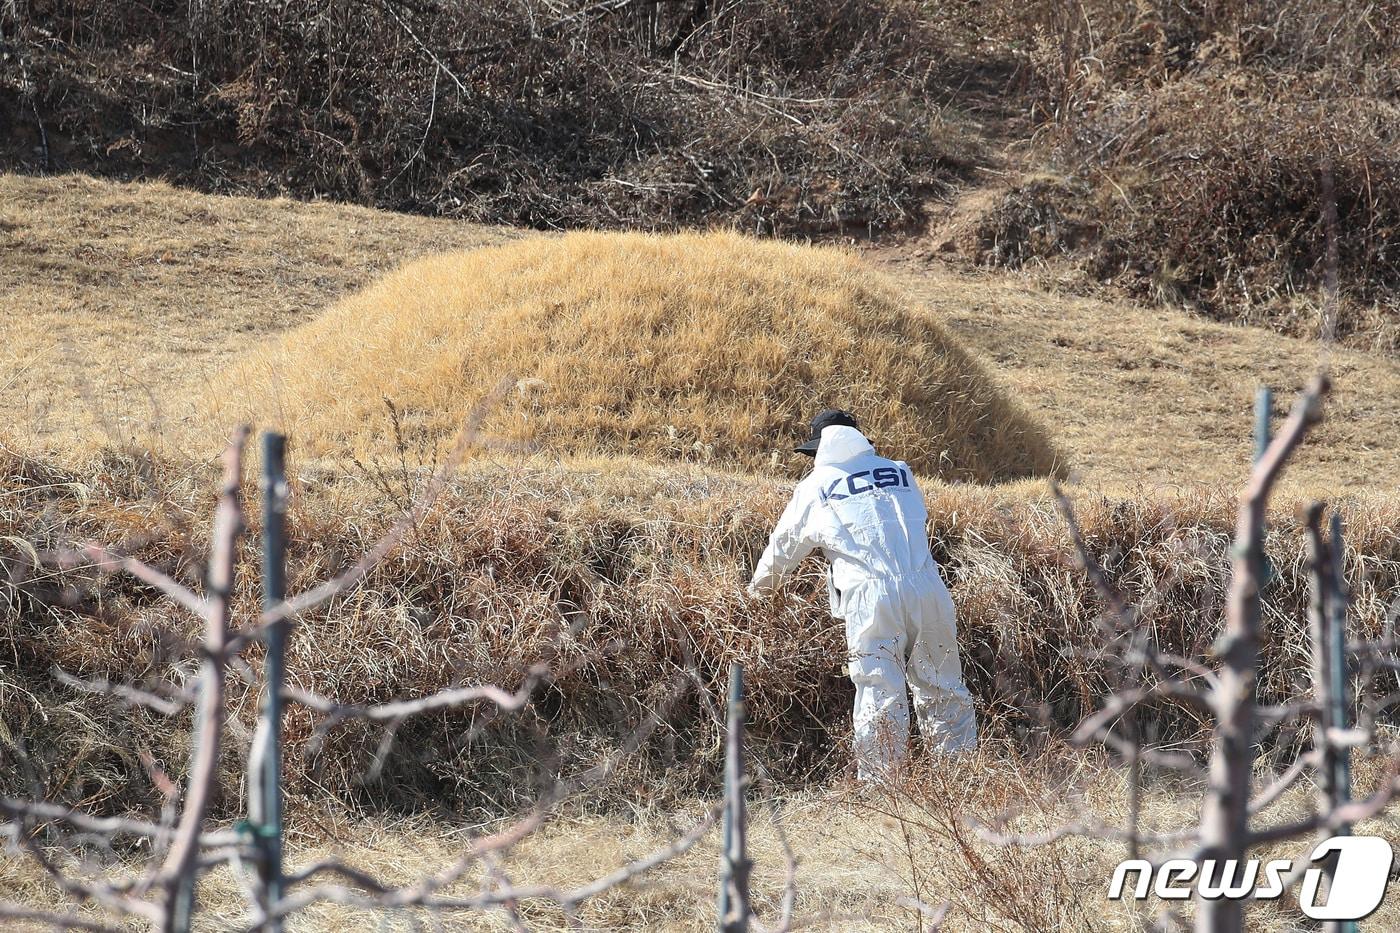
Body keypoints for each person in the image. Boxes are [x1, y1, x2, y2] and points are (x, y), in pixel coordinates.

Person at [747, 409, 977, 779]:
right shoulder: (900, 472)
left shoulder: (815, 487)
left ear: (820, 448)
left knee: (879, 694)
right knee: (943, 686)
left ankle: (883, 787)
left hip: (871, 597)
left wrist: (757, 593)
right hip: (928, 588)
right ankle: (960, 776)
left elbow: (783, 549)